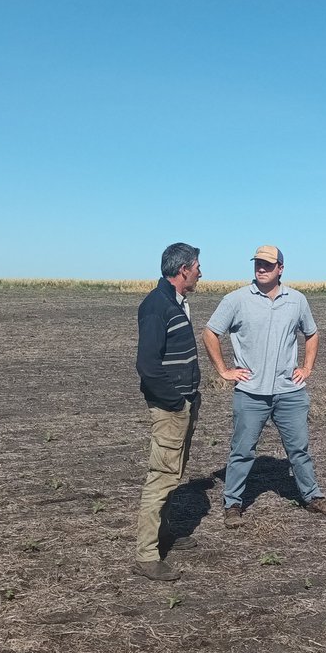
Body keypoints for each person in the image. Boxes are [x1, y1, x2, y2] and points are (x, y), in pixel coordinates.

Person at [202, 245, 326, 528]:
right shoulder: (236, 300)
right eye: (257, 264)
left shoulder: (297, 300)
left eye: (267, 264)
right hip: (251, 392)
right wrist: (223, 370)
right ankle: (233, 504)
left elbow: (311, 334)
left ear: (280, 268)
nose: (261, 268)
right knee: (242, 450)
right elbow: (210, 332)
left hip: (290, 391)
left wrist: (307, 368)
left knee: (299, 449)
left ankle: (312, 497)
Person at [134, 242, 203, 582]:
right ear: (182, 271)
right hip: (170, 407)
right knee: (161, 477)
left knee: (173, 473)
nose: (200, 273)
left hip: (183, 402)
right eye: (197, 267)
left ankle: (164, 533)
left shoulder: (175, 302)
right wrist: (175, 402)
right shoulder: (156, 306)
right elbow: (147, 365)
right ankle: (147, 555)